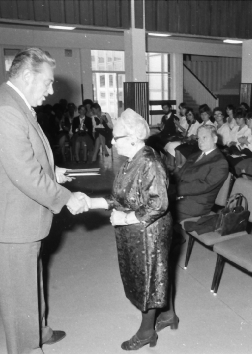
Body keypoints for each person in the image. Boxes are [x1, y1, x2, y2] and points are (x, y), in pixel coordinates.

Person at [0, 48, 90, 354]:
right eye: (48, 82)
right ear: (27, 76)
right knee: (18, 298)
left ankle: (38, 331)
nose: (51, 90)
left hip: (19, 218)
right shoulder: (5, 111)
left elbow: (23, 156)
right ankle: (27, 347)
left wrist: (52, 170)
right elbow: (24, 174)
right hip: (10, 223)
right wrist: (66, 198)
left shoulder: (14, 104)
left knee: (29, 284)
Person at [88, 109, 174, 350]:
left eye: (117, 138)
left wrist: (125, 218)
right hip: (138, 231)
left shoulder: (150, 163)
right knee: (158, 273)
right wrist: (92, 202)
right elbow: (122, 197)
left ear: (135, 138)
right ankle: (168, 315)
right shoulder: (132, 161)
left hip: (150, 232)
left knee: (149, 277)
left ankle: (147, 332)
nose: (112, 142)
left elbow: (158, 204)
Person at [173, 124, 229, 222]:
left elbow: (203, 186)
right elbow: (180, 174)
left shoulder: (220, 162)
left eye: (204, 137)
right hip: (181, 197)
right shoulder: (195, 155)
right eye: (198, 138)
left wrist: (176, 190)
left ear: (215, 139)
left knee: (160, 211)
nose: (200, 141)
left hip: (196, 204)